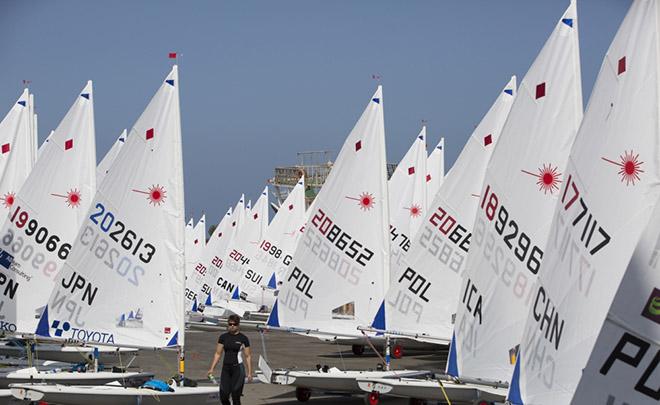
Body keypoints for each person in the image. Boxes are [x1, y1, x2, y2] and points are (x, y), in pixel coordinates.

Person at [207, 314, 252, 405]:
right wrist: (211, 369)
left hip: (238, 369)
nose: (232, 326)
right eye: (230, 324)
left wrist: (250, 373)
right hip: (226, 369)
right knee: (223, 396)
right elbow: (218, 354)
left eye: (234, 324)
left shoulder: (243, 338)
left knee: (235, 395)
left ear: (238, 325)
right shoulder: (223, 337)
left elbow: (248, 356)